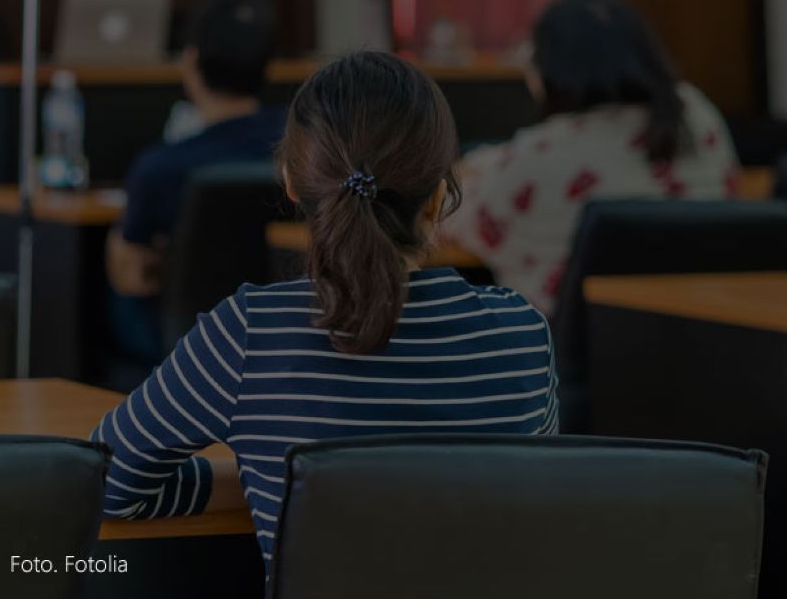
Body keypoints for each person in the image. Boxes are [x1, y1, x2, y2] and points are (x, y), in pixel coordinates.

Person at [90, 51, 559, 574]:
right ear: (439, 197)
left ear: (291, 181)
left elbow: (101, 484)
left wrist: (267, 480)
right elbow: (532, 508)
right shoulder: (523, 335)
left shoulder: (249, 333)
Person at [441, 0, 739, 315]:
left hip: (574, 351)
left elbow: (450, 212)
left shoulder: (539, 159)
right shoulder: (695, 114)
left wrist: (473, 168)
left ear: (546, 68)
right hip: (703, 331)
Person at [106, 0, 286, 361]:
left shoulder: (160, 166)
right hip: (287, 331)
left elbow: (132, 276)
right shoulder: (305, 146)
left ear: (191, 61)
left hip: (189, 346)